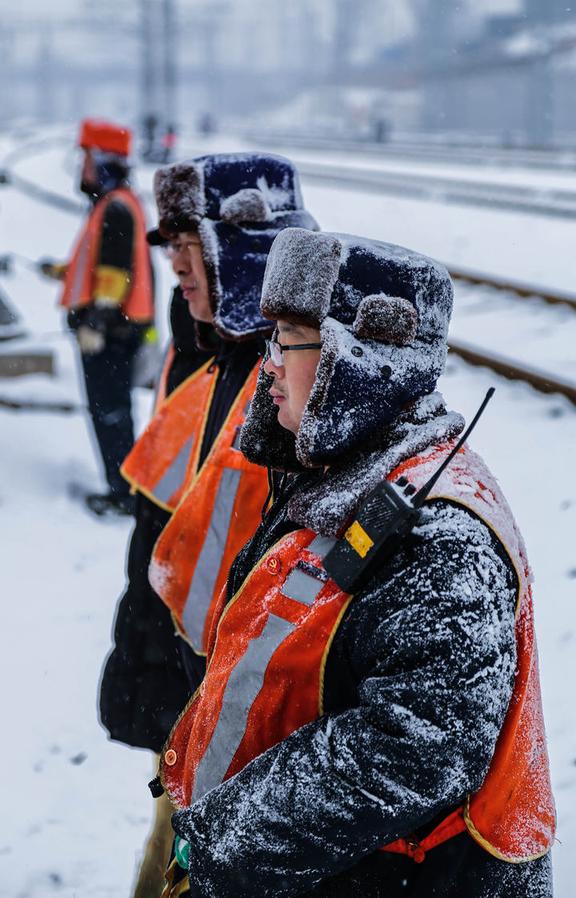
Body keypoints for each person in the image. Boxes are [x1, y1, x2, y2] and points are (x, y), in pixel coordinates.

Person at [159, 228, 556, 898]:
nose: (270, 366)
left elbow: (419, 744)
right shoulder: (341, 471)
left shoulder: (442, 537)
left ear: (361, 355)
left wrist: (230, 835)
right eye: (270, 341)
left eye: (288, 340)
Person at [98, 156, 318, 897]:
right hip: (190, 691)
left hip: (239, 714)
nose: (176, 270)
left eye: (189, 250)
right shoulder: (206, 360)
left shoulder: (291, 388)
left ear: (240, 253)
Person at [39, 118, 154, 516]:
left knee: (111, 413)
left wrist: (96, 322)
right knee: (112, 410)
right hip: (115, 330)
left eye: (86, 157)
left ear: (104, 160)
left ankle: (124, 494)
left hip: (111, 334)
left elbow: (115, 275)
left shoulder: (116, 207)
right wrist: (60, 271)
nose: (81, 167)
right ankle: (124, 488)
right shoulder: (116, 203)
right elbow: (103, 264)